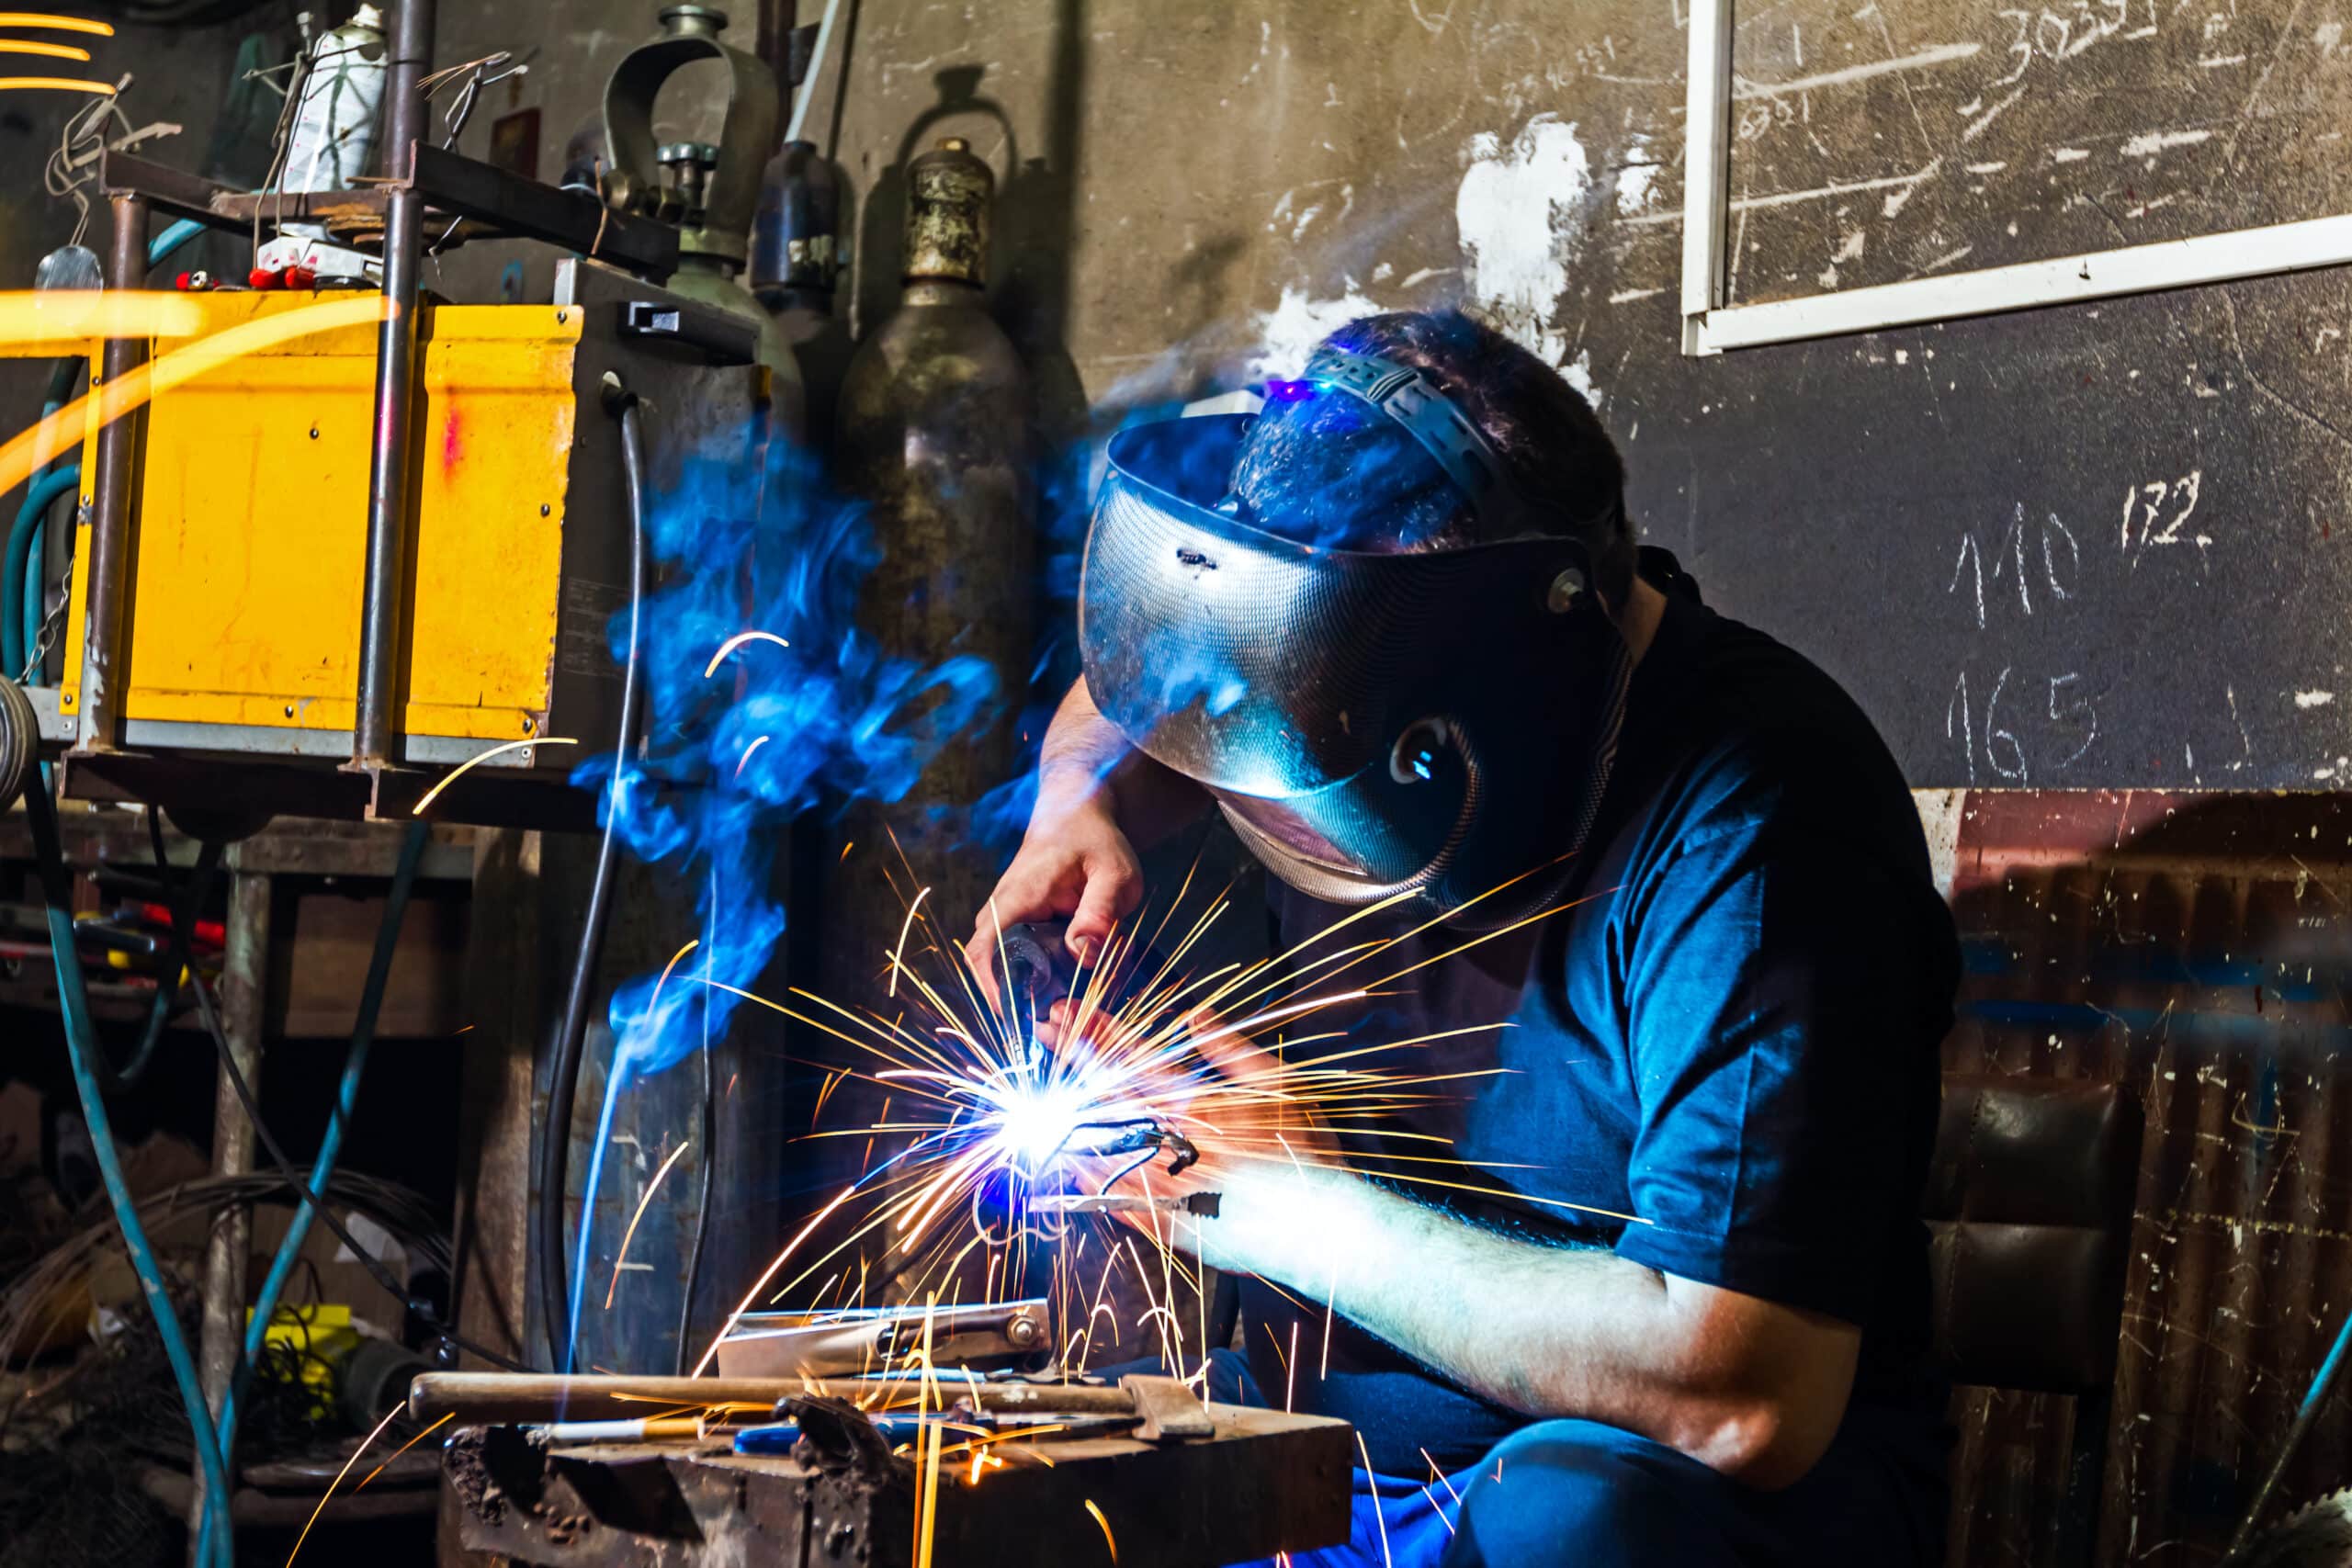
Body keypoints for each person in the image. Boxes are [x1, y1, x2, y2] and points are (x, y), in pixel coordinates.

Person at [967, 310, 1959, 1567]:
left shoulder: (1764, 824)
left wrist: (1293, 1211)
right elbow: (1147, 683)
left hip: (1667, 1512)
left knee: (1564, 1518)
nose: (1251, 770)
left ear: (1473, 693)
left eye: (1318, 728)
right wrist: (1079, 803)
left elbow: (1742, 1396)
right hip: (1339, 1468)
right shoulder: (1359, 661)